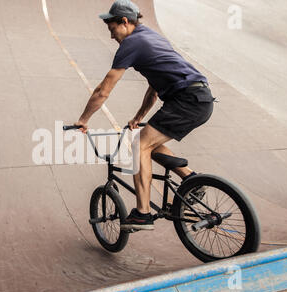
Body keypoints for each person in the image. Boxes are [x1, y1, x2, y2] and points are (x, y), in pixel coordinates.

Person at [74, 0, 215, 231]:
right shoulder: (152, 37)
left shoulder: (131, 44)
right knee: (151, 142)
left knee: (140, 145)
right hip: (200, 98)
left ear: (125, 22)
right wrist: (139, 116)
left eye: (112, 30)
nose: (111, 37)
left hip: (187, 100)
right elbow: (154, 88)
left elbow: (103, 90)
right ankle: (191, 180)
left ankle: (142, 213)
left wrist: (83, 120)